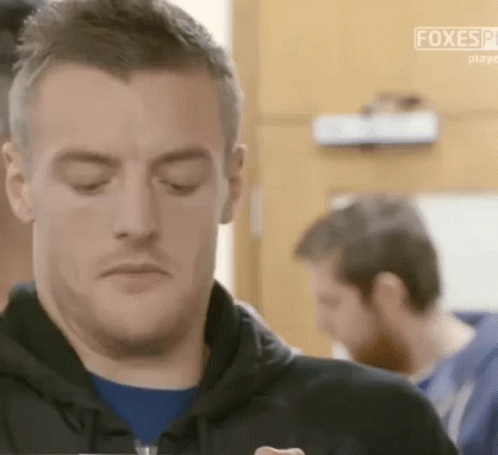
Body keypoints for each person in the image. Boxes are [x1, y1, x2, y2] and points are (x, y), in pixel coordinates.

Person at [0, 0, 458, 453]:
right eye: (90, 182)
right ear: (20, 185)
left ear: (232, 184)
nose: (137, 222)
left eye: (178, 181)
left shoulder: (381, 428)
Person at [295, 193, 498, 455]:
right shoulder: (372, 396)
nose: (320, 323)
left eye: (332, 302)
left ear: (387, 294)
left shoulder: (488, 394)